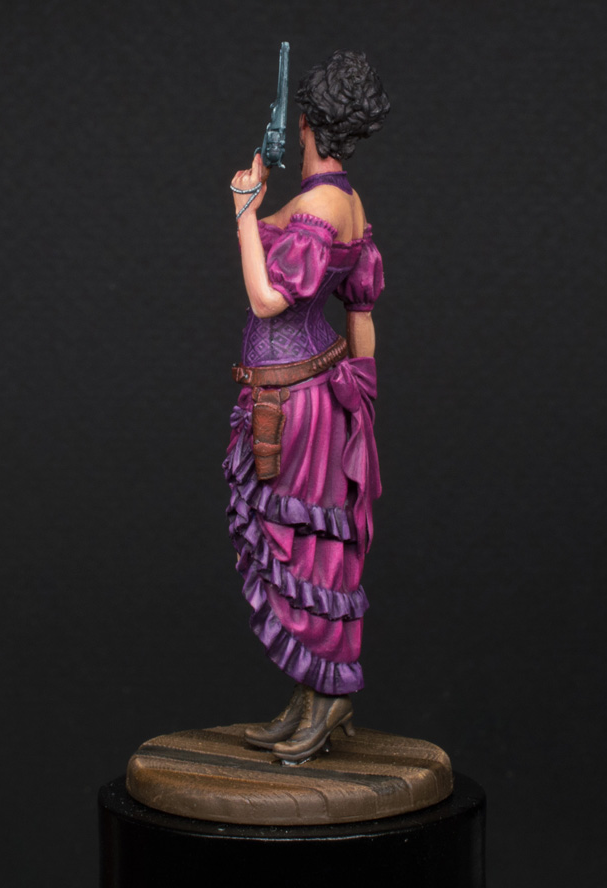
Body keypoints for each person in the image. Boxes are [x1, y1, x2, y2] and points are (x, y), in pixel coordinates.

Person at [223, 50, 390, 764]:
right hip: (306, 393)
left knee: (308, 550)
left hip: (299, 402)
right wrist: (363, 388)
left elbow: (268, 298)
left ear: (311, 125)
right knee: (309, 549)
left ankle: (330, 693)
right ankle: (313, 689)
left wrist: (242, 212)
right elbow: (362, 310)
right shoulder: (342, 200)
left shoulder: (324, 206)